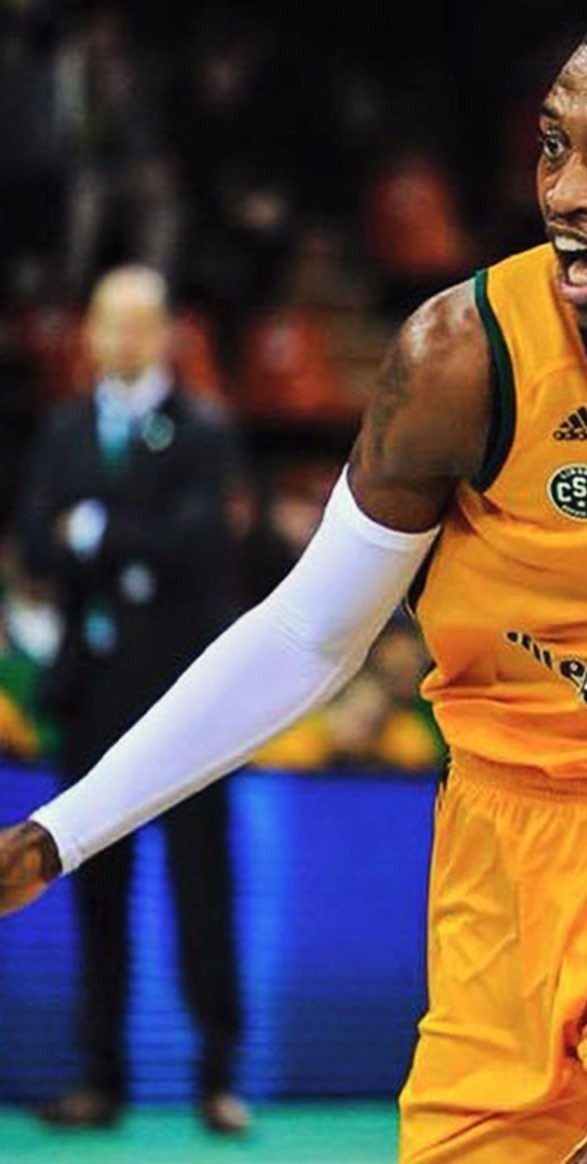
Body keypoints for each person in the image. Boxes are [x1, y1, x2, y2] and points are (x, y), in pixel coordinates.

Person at [1, 6, 587, 1160]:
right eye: (553, 146)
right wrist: (54, 835)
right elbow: (306, 636)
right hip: (507, 868)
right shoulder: (463, 359)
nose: (565, 191)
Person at [14, 266, 250, 1134]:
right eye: (106, 322)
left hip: (186, 699)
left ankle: (218, 1077)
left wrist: (96, 531)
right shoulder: (64, 429)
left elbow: (199, 542)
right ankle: (99, 1078)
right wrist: (119, 541)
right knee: (92, 882)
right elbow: (36, 541)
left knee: (201, 884)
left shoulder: (204, 430)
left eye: (136, 323)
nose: (120, 338)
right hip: (91, 694)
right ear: (89, 332)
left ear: (164, 334)